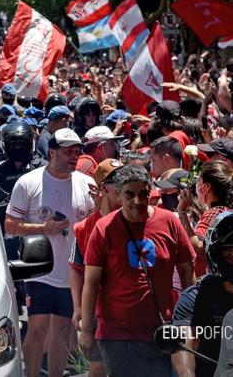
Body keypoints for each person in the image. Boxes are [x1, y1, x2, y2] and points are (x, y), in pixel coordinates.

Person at [80, 165, 196, 377]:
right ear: (119, 195)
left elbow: (187, 269)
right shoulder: (104, 228)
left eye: (143, 194)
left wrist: (190, 320)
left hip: (163, 331)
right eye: (130, 195)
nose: (137, 201)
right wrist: (86, 330)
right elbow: (91, 282)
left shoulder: (169, 221)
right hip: (118, 335)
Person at [5, 128, 95, 377]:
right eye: (68, 152)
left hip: (71, 274)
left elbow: (95, 225)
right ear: (52, 153)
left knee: (63, 331)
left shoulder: (87, 184)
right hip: (39, 270)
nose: (73, 157)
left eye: (77, 152)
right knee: (37, 328)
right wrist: (44, 228)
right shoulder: (29, 182)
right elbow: (10, 225)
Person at [69, 158, 124, 377]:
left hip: (128, 306)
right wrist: (78, 308)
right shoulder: (84, 228)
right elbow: (76, 268)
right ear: (102, 188)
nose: (121, 185)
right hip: (98, 307)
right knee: (98, 368)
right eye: (115, 181)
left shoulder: (136, 219)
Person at [173, 211, 233, 377]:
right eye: (231, 255)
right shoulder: (194, 298)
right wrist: (187, 373)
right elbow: (187, 342)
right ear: (216, 256)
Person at [178, 161, 233, 276]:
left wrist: (182, 212)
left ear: (206, 187)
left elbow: (199, 247)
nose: (196, 186)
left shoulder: (215, 212)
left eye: (199, 182)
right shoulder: (225, 210)